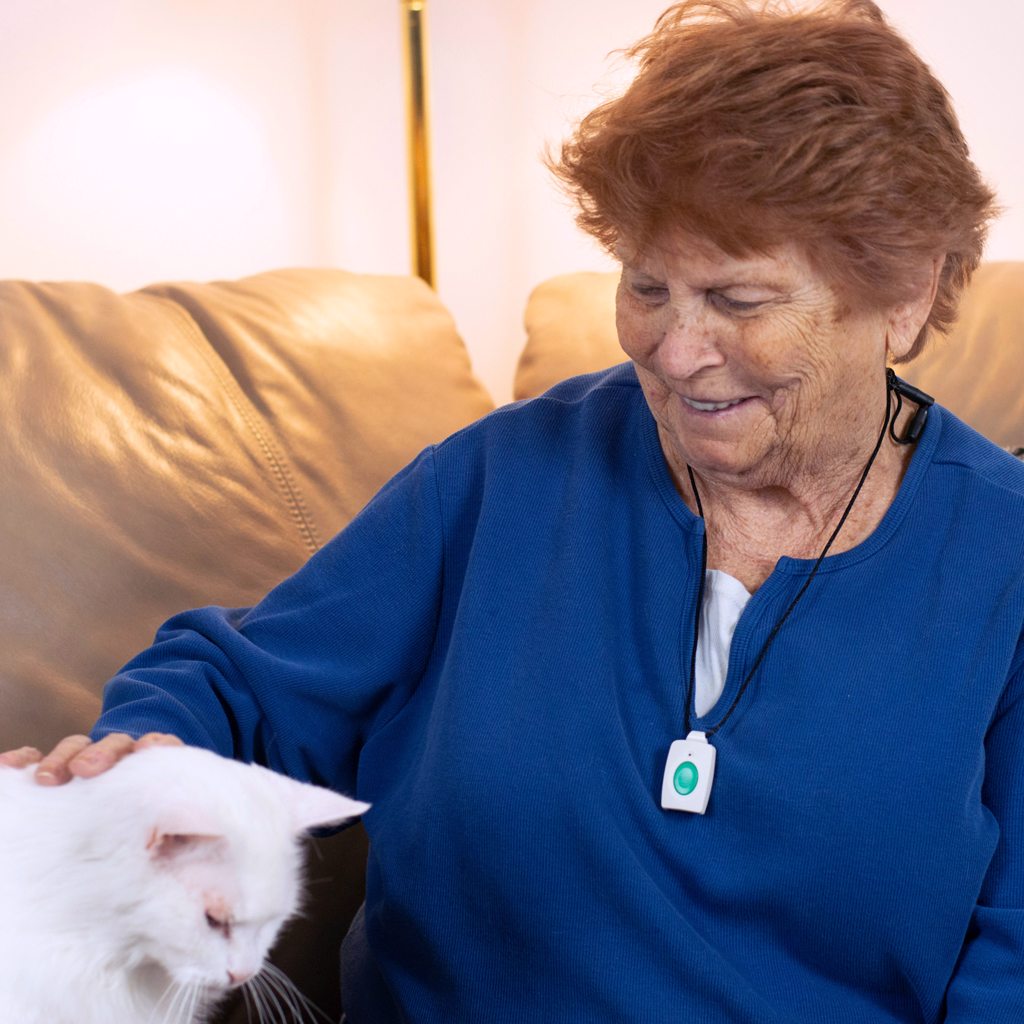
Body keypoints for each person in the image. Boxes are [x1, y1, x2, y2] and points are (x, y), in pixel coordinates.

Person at [3, 1, 1022, 1020]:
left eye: (739, 301)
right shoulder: (504, 479)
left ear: (903, 288)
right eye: (647, 285)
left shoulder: (1000, 562)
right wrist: (144, 765)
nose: (673, 349)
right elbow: (238, 684)